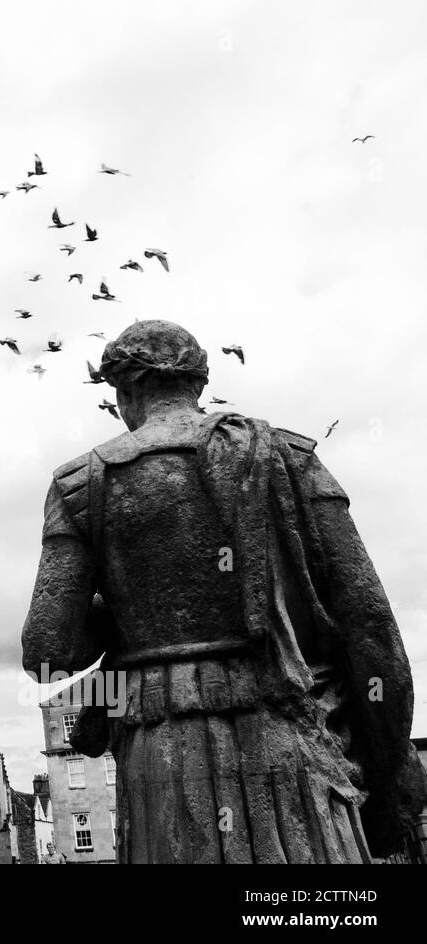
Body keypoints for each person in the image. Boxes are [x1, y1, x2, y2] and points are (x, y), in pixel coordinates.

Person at [21, 320, 425, 863]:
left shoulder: (83, 482)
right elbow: (372, 627)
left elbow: (48, 650)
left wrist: (125, 602)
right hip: (295, 722)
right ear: (198, 384)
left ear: (124, 390)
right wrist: (392, 768)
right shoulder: (288, 458)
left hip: (161, 739)